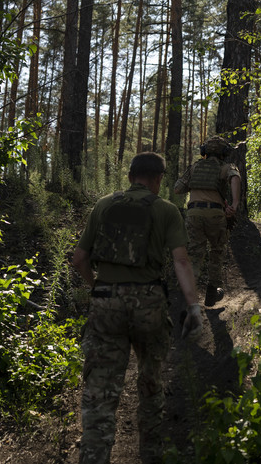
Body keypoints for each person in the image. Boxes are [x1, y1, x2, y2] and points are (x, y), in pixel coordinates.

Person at [72, 152, 202, 464]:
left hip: (106, 303)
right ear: (159, 179)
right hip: (149, 303)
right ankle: (151, 455)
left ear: (130, 176)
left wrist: (98, 287)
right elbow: (181, 261)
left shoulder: (103, 205)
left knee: (100, 390)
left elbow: (79, 259)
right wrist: (193, 306)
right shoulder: (166, 210)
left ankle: (93, 457)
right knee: (151, 382)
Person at [174, 136, 241, 307]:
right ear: (224, 153)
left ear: (204, 151)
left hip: (194, 214)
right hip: (216, 214)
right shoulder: (226, 167)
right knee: (217, 252)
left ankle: (187, 297)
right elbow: (235, 178)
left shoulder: (195, 167)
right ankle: (212, 293)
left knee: (195, 255)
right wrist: (234, 204)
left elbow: (177, 189)